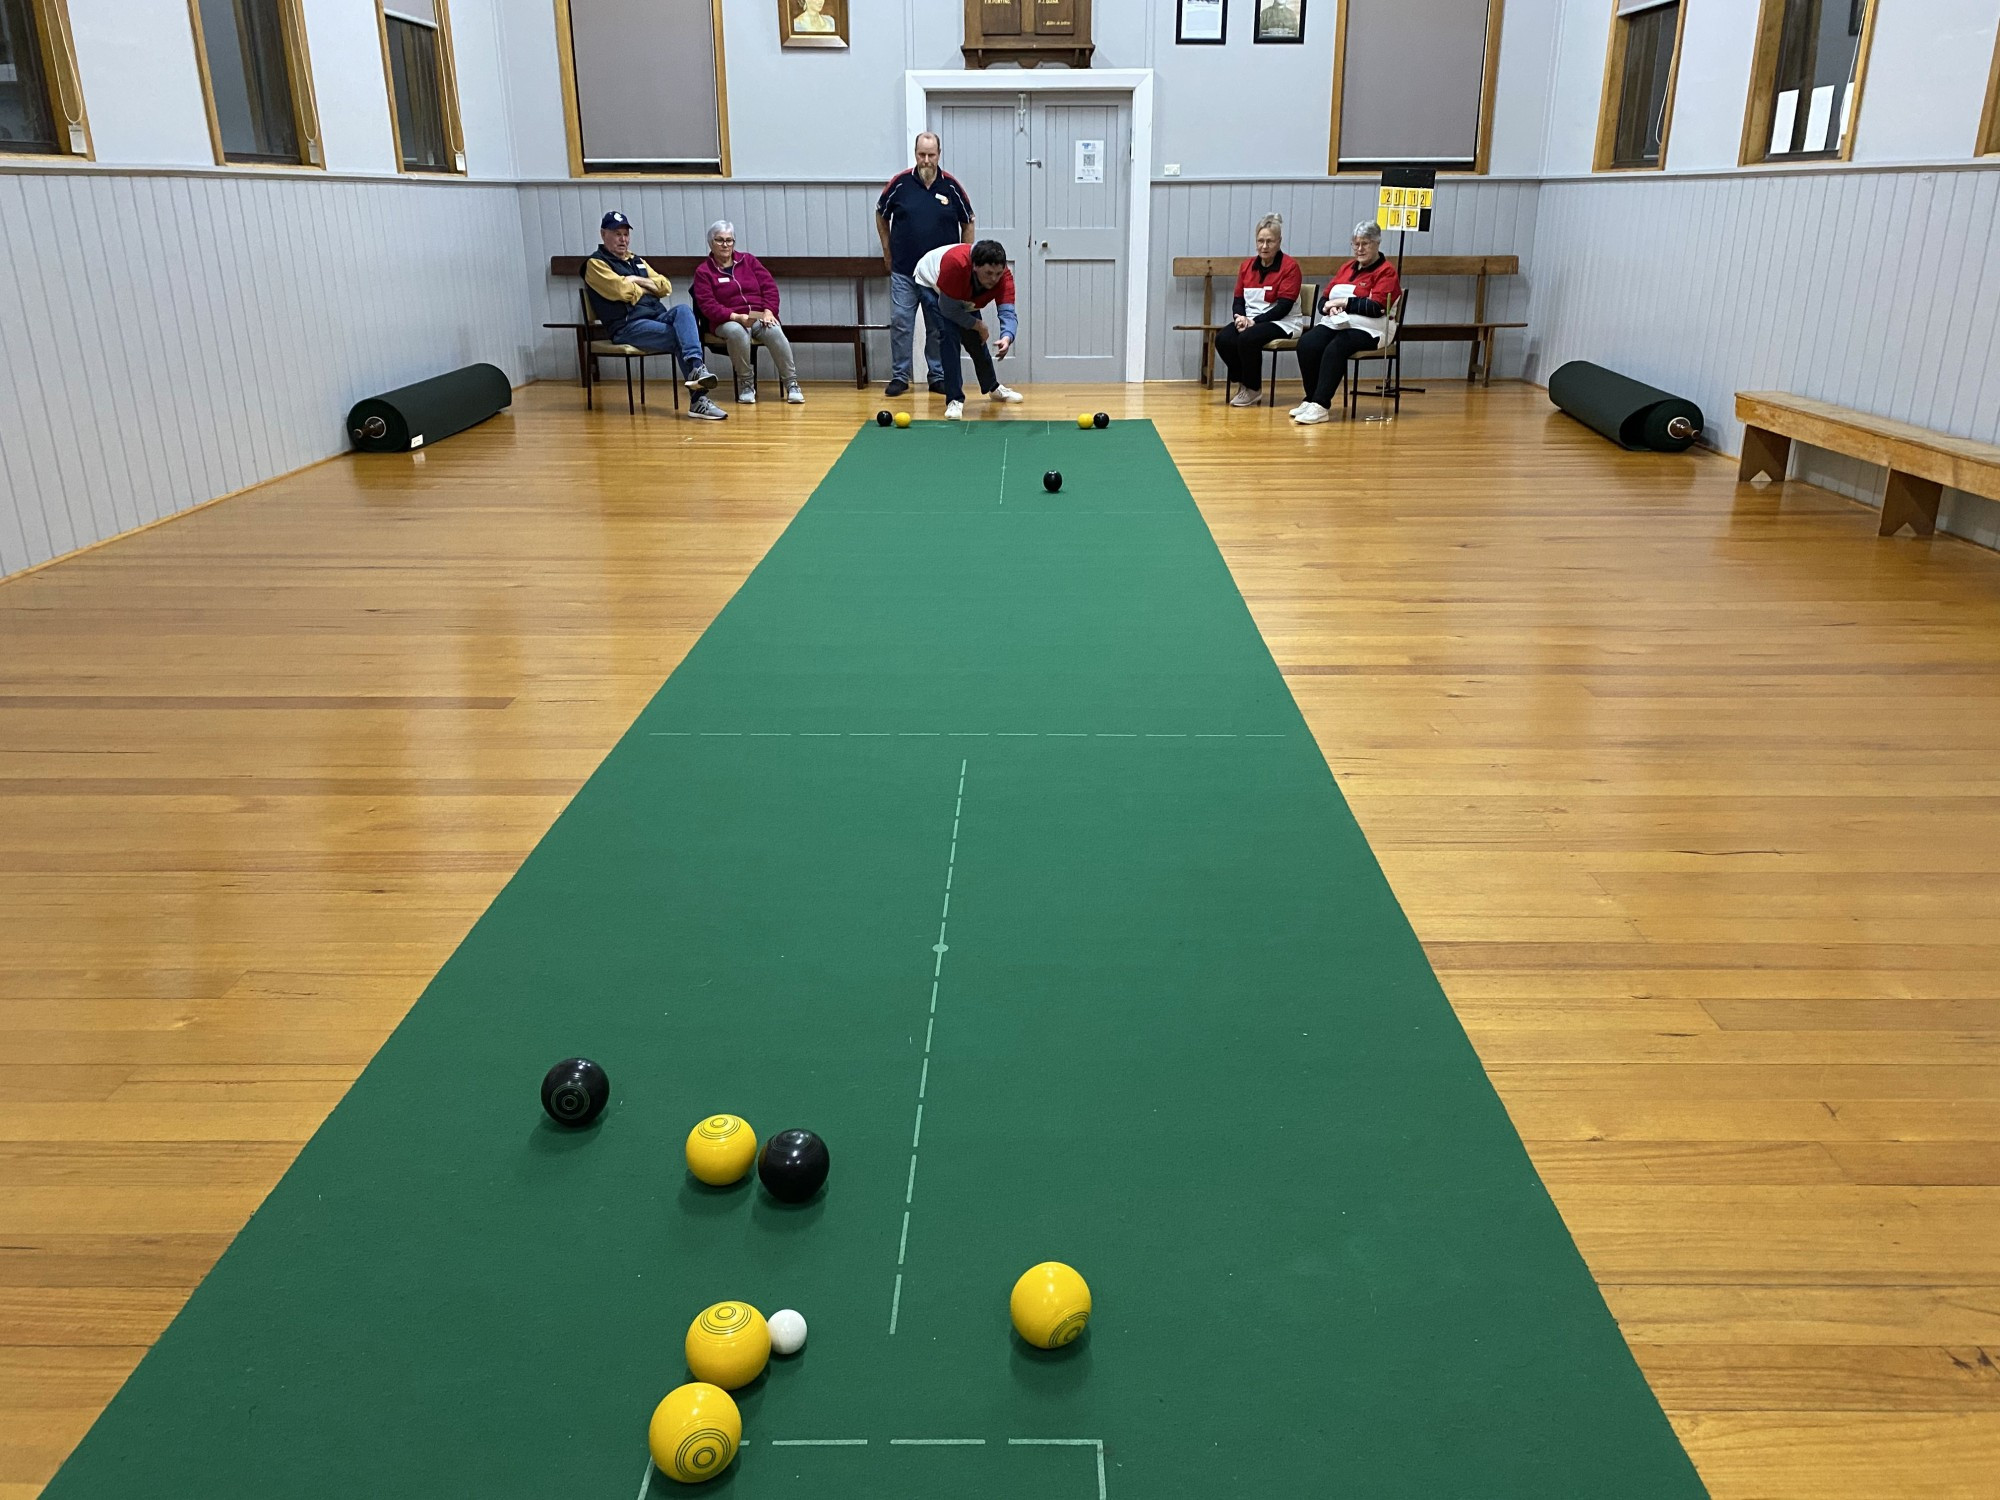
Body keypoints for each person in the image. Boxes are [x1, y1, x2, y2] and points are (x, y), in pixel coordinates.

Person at [581, 211, 727, 421]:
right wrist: (647, 286)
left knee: (683, 311)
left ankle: (697, 370)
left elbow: (665, 286)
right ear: (603, 234)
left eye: (625, 234)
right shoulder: (596, 264)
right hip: (627, 326)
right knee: (681, 337)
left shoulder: (636, 260)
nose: (623, 239)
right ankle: (698, 398)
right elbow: (622, 291)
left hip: (655, 318)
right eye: (617, 234)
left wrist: (634, 280)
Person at [876, 133, 975, 398]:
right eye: (922, 154)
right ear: (915, 153)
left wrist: (965, 261)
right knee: (901, 322)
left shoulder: (951, 187)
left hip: (939, 276)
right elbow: (881, 214)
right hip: (904, 271)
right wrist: (887, 251)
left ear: (939, 154)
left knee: (937, 325)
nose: (926, 160)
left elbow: (968, 222)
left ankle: (937, 375)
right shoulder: (899, 184)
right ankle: (900, 376)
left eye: (931, 155)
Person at [1291, 221, 1401, 425]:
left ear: (1377, 243)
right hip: (1337, 323)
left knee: (1336, 347)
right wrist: (1328, 307)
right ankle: (1312, 397)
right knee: (1307, 343)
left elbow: (1377, 307)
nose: (1359, 249)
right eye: (1355, 244)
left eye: (1365, 244)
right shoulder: (1346, 268)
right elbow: (1324, 299)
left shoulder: (1386, 272)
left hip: (1371, 328)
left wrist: (1344, 302)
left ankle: (1321, 405)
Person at [691, 220, 802, 405]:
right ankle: (746, 385)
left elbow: (770, 287)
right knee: (737, 332)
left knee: (774, 329)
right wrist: (736, 317)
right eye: (719, 240)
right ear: (711, 243)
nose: (725, 244)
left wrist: (769, 311)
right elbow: (707, 305)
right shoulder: (703, 271)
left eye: (729, 240)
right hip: (726, 320)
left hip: (757, 315)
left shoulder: (748, 260)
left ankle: (792, 384)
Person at [911, 239, 1022, 420]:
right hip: (931, 283)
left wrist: (1007, 337)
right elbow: (948, 310)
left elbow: (1008, 312)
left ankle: (992, 387)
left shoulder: (1003, 278)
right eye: (988, 273)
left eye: (998, 273)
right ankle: (954, 400)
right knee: (949, 336)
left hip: (959, 290)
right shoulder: (956, 265)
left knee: (976, 340)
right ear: (975, 267)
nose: (994, 279)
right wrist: (978, 325)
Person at [1213, 213, 1303, 407]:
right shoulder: (1247, 267)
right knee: (1223, 339)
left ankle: (1253, 389)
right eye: (1260, 241)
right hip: (1252, 321)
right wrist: (1240, 317)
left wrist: (1254, 322)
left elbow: (1283, 307)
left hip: (1283, 321)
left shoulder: (1290, 267)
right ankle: (1244, 380)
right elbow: (1238, 300)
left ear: (1279, 241)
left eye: (1269, 241)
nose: (1264, 246)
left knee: (1247, 338)